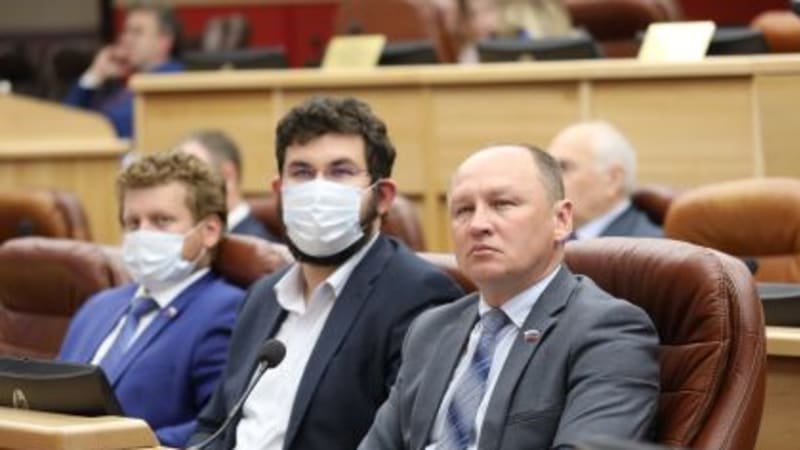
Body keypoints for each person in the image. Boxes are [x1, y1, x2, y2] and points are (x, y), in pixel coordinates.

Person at [189, 96, 464, 450]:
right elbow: (213, 426)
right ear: (279, 192)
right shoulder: (261, 296)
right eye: (301, 172)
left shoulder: (419, 295)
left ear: (383, 197)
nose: (317, 189)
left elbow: (406, 440)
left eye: (340, 172)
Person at [360, 144, 659, 449]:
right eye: (463, 210)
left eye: (502, 204)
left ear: (561, 220)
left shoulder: (607, 330)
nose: (478, 225)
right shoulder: (431, 329)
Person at [59, 151, 245, 448]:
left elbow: (219, 425)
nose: (143, 234)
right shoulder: (98, 306)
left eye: (161, 221)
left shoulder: (227, 309)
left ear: (209, 231)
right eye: (133, 223)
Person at [64, 1, 183, 138]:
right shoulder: (118, 80)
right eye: (126, 31)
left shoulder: (173, 82)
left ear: (164, 42)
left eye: (137, 32)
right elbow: (67, 118)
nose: (126, 39)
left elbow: (110, 126)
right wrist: (96, 73)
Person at [548, 121, 663, 240]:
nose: (550, 179)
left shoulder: (649, 246)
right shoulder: (550, 238)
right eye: (549, 168)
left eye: (564, 167)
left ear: (613, 180)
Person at [176, 129, 279, 242]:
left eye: (192, 175)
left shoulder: (256, 245)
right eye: (177, 176)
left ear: (227, 175)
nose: (178, 187)